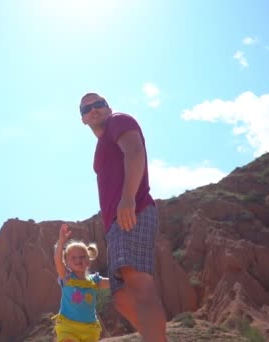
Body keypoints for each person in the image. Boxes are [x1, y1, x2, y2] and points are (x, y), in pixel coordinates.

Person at [79, 92, 167, 341]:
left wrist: (128, 197)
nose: (93, 110)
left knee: (139, 286)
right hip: (115, 223)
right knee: (121, 298)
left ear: (108, 108)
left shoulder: (119, 121)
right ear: (83, 119)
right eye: (86, 109)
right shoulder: (102, 144)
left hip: (133, 210)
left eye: (98, 104)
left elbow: (135, 153)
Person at [53, 223, 109, 342]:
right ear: (66, 261)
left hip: (90, 329)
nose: (78, 260)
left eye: (83, 257)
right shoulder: (67, 277)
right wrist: (61, 242)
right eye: (73, 257)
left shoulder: (95, 280)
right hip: (68, 327)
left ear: (89, 260)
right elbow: (57, 261)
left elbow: (113, 283)